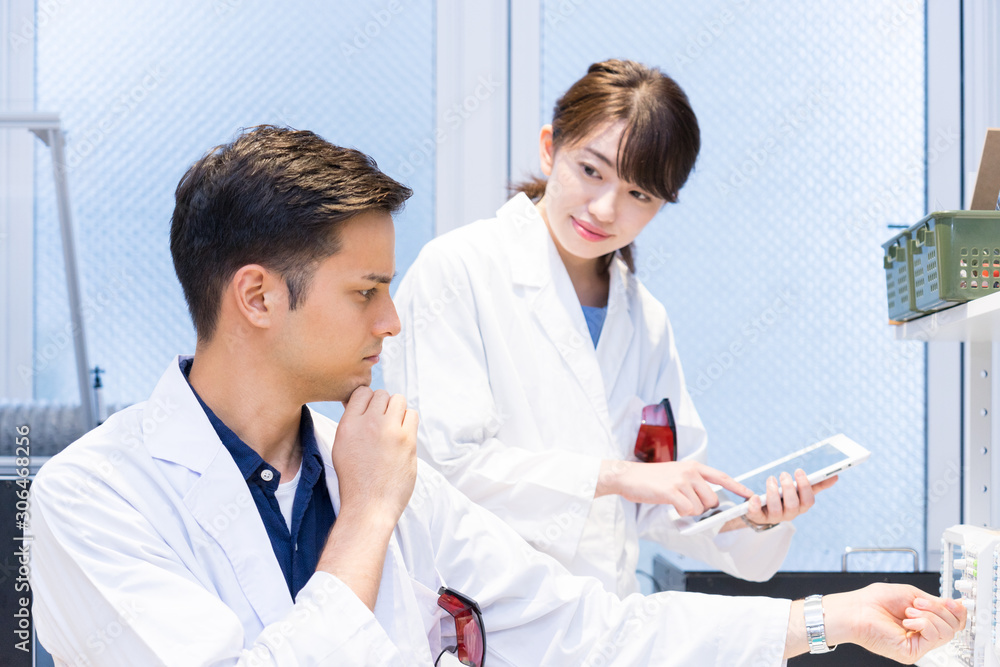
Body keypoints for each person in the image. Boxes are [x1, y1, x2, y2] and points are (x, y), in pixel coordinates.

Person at [29, 126, 963, 666]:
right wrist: (368, 518)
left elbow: (589, 627)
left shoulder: (377, 468)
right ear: (259, 297)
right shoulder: (93, 499)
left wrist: (823, 619)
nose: (393, 321)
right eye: (366, 292)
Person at [382, 59, 832, 597]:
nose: (604, 209)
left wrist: (754, 519)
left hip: (604, 619)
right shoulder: (458, 271)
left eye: (639, 195)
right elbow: (444, 469)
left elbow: (661, 499)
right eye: (591, 171)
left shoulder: (645, 320)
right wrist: (616, 476)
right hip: (483, 614)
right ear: (550, 149)